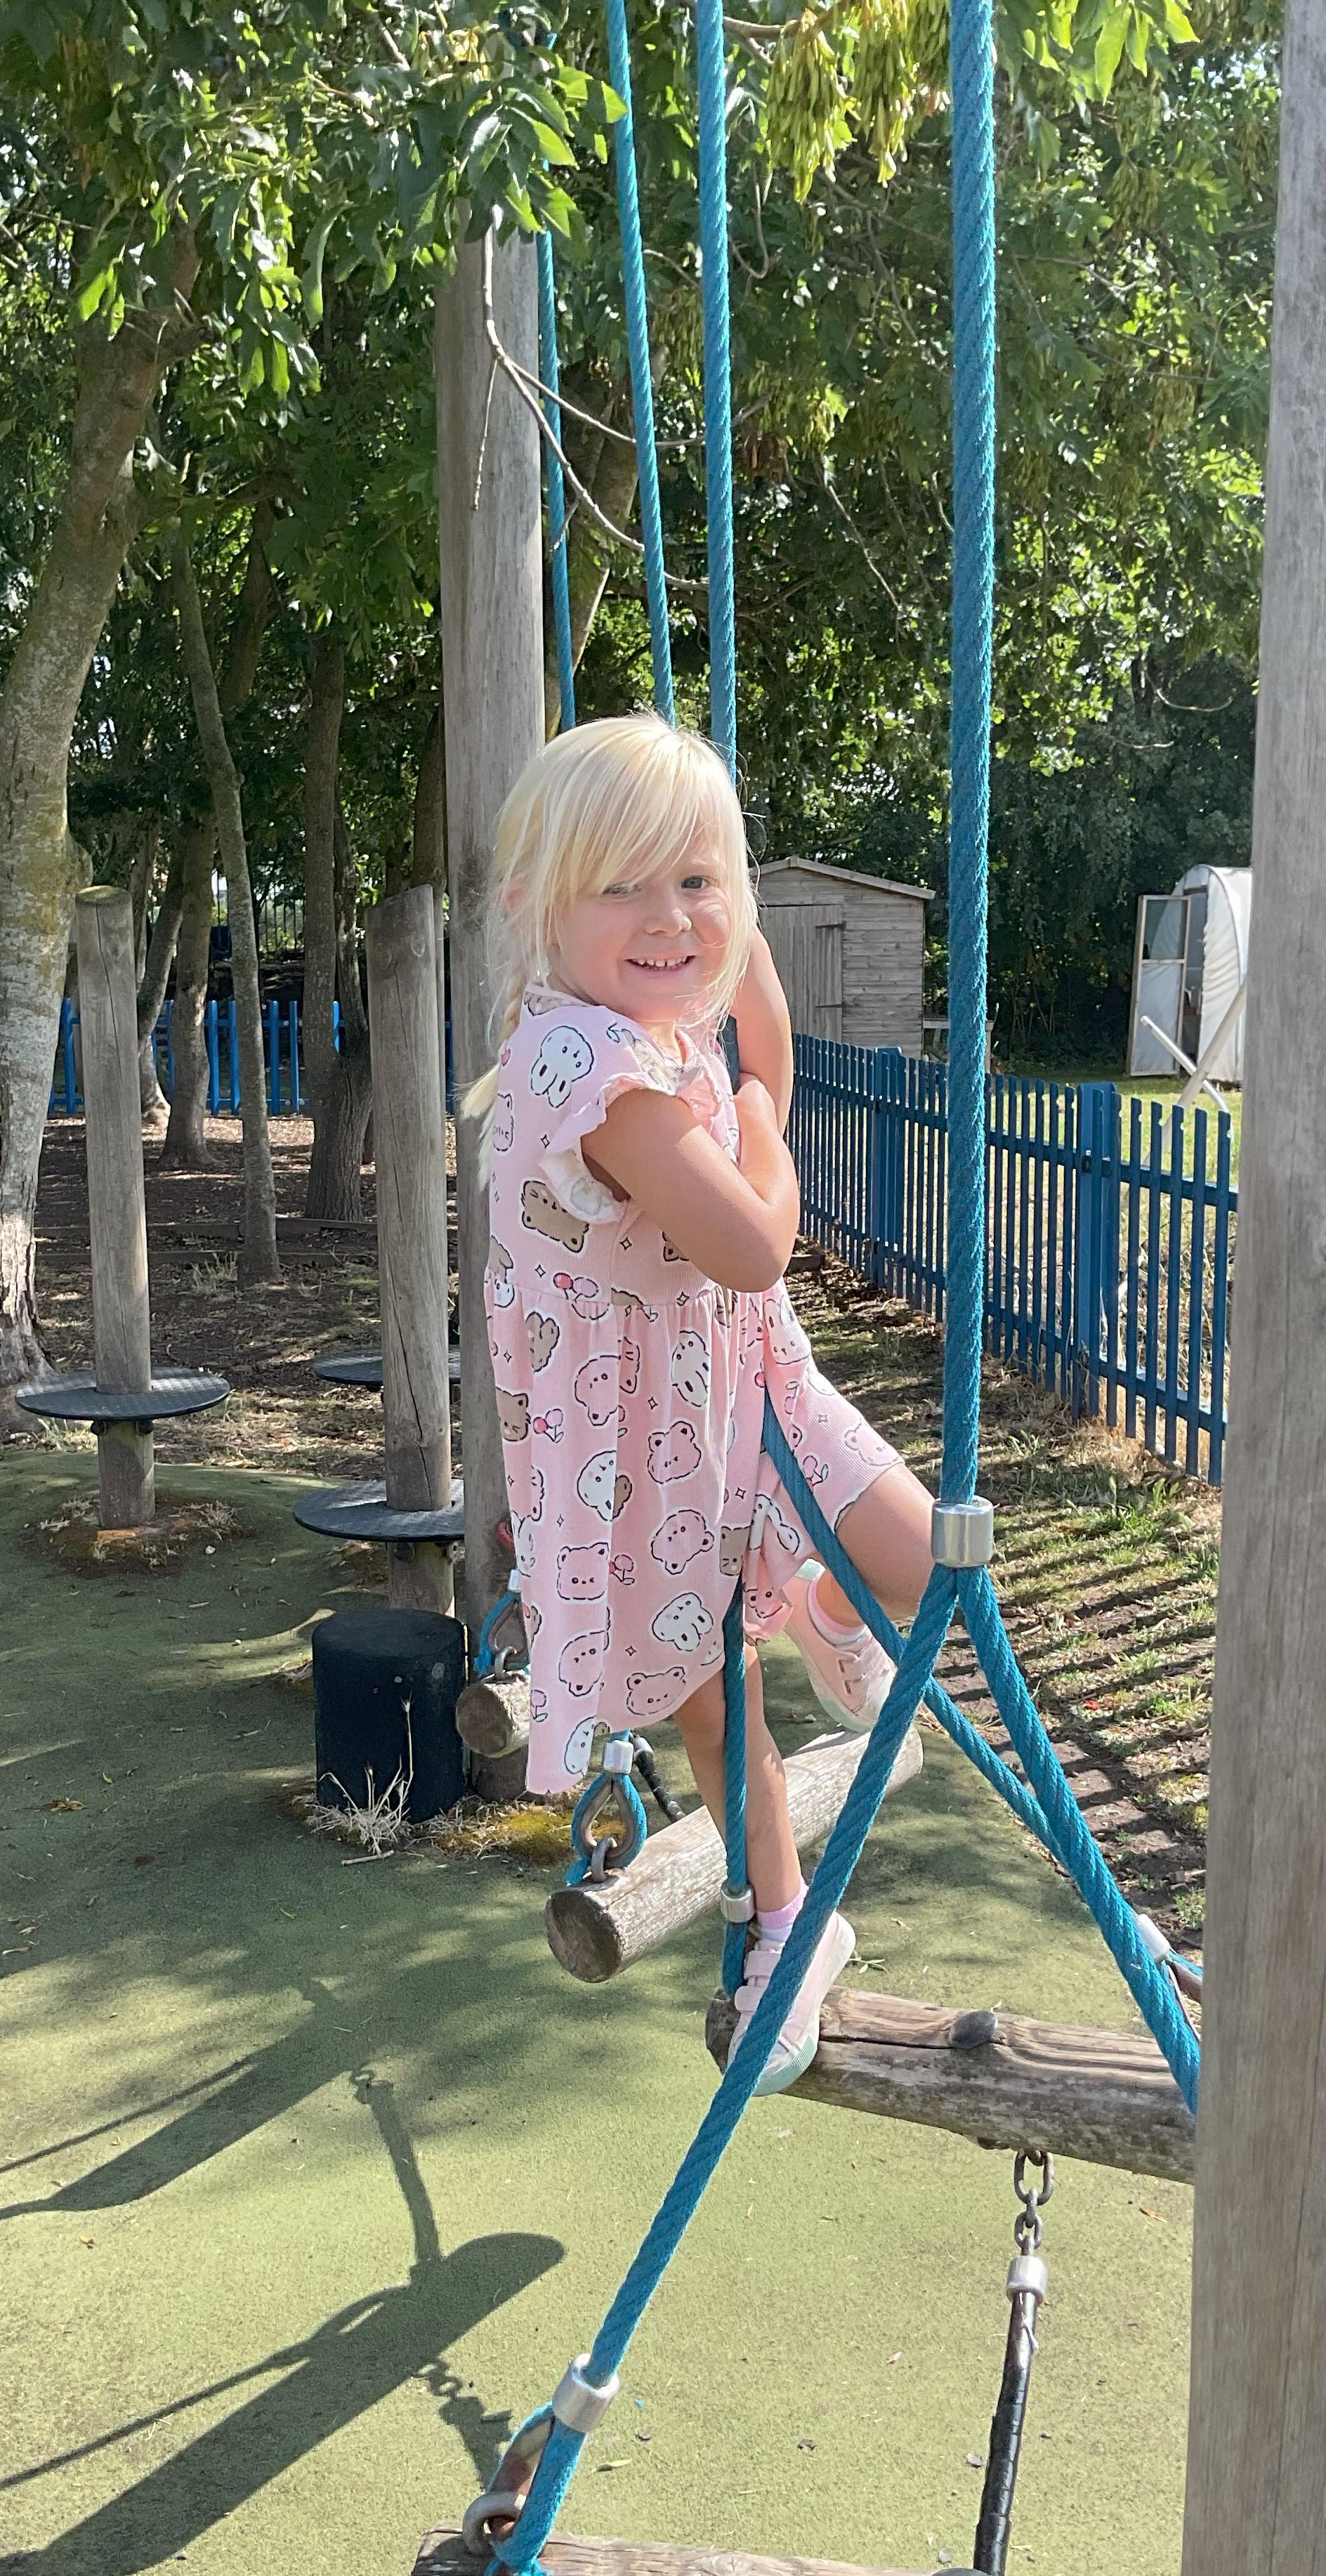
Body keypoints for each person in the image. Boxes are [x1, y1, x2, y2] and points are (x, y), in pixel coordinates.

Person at [478, 714, 936, 2093]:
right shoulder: (588, 1064)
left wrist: (752, 1006)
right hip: (639, 1437)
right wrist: (762, 1134)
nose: (668, 918)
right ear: (537, 906)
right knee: (711, 1696)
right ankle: (787, 1927)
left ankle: (832, 1609)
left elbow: (761, 1068)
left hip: (743, 1378)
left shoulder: (655, 1026)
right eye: (620, 885)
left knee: (927, 1562)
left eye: (696, 882)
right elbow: (750, 1241)